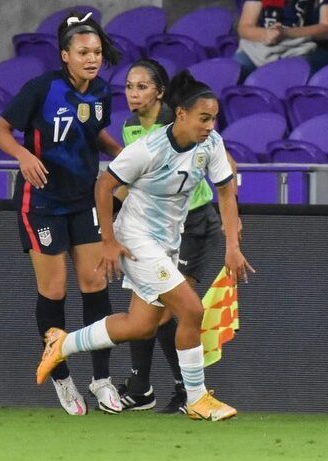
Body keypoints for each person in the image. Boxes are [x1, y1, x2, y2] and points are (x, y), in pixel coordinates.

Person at [36, 71, 254, 422]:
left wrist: (233, 245)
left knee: (141, 325)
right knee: (191, 310)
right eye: (204, 118)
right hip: (135, 239)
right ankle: (197, 398)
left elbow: (226, 193)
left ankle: (62, 344)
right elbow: (103, 187)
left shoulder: (211, 144)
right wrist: (108, 242)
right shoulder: (148, 149)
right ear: (181, 114)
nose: (210, 125)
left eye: (214, 118)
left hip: (167, 241)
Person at [0, 11, 125, 416]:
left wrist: (124, 157)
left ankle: (101, 378)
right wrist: (23, 154)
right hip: (43, 203)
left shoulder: (101, 92)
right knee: (54, 292)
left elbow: (92, 133)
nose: (92, 58)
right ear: (65, 55)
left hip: (84, 199)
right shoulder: (41, 89)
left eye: (97, 51)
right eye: (83, 51)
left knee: (95, 284)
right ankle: (61, 378)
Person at [115, 59, 240, 414]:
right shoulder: (130, 128)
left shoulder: (184, 119)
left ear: (160, 93)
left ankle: (182, 391)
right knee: (151, 312)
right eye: (128, 86)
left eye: (141, 87)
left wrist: (234, 224)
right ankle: (152, 388)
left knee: (172, 311)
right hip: (157, 228)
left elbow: (226, 169)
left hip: (195, 223)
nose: (133, 94)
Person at [234, 0, 328, 79]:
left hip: (311, 48)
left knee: (289, 70)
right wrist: (266, 34)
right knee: (236, 66)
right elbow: (244, 27)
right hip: (268, 46)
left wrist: (285, 33)